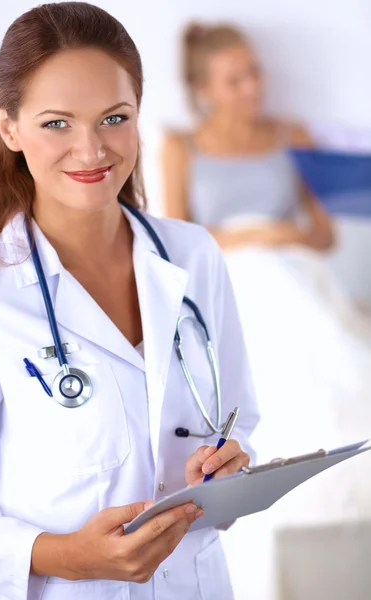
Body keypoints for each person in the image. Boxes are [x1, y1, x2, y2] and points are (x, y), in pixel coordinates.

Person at [0, 4, 260, 600]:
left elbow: (240, 421)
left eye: (114, 118)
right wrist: (65, 557)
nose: (91, 150)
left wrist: (227, 468)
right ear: (10, 129)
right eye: (57, 123)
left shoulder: (194, 257)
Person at [162, 22, 371, 600]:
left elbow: (324, 236)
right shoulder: (183, 145)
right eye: (235, 79)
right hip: (231, 281)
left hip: (295, 274)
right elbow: (182, 239)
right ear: (204, 88)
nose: (252, 87)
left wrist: (281, 234)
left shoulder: (291, 134)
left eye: (254, 72)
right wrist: (248, 239)